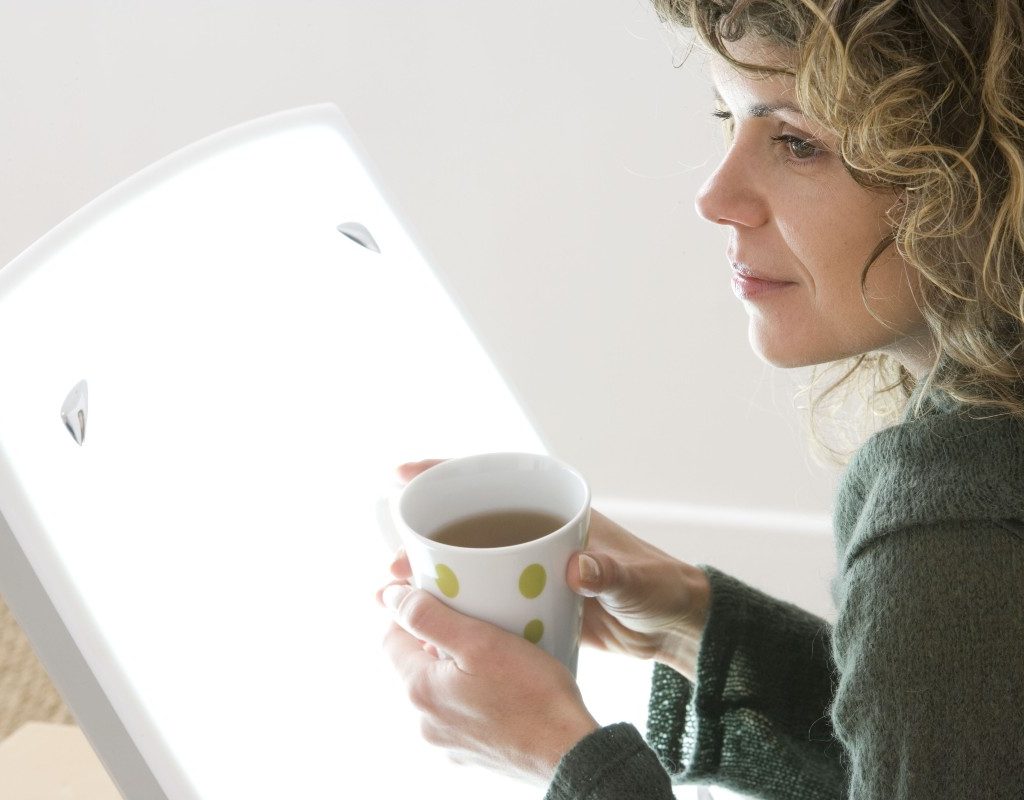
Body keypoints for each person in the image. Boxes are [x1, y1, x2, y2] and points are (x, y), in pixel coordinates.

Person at [377, 0, 1024, 797]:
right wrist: (697, 622)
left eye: (798, 142)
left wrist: (565, 758)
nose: (716, 196)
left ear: (988, 176)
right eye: (732, 118)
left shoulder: (954, 531)